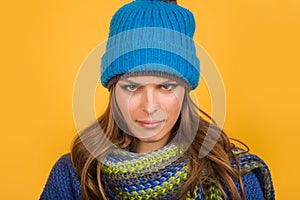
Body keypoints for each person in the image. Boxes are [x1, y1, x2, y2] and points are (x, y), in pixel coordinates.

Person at [40, 0, 275, 199]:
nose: (149, 106)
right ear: (113, 89)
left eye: (165, 86)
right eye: (132, 87)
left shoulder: (233, 179)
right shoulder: (74, 175)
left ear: (185, 89)